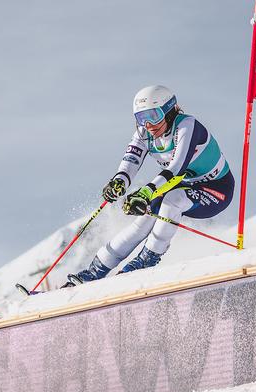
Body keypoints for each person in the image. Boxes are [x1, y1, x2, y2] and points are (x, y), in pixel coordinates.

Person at [66, 85, 235, 286]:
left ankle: (147, 260)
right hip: (182, 186)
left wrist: (146, 191)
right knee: (144, 217)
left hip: (216, 189)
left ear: (169, 110)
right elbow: (129, 163)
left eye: (153, 115)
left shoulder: (187, 126)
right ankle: (94, 272)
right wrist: (119, 182)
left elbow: (176, 168)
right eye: (141, 118)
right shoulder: (143, 134)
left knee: (173, 200)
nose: (148, 124)